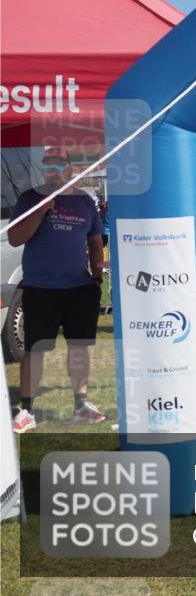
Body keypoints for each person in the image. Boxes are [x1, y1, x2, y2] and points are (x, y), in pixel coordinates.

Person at [9, 147, 106, 433]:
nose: (55, 171)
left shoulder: (85, 202)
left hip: (78, 288)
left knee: (79, 348)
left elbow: (95, 240)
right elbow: (15, 238)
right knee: (35, 349)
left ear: (71, 170)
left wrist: (97, 274)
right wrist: (40, 211)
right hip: (41, 289)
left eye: (60, 165)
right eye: (49, 166)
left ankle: (81, 405)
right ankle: (27, 410)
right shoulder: (29, 198)